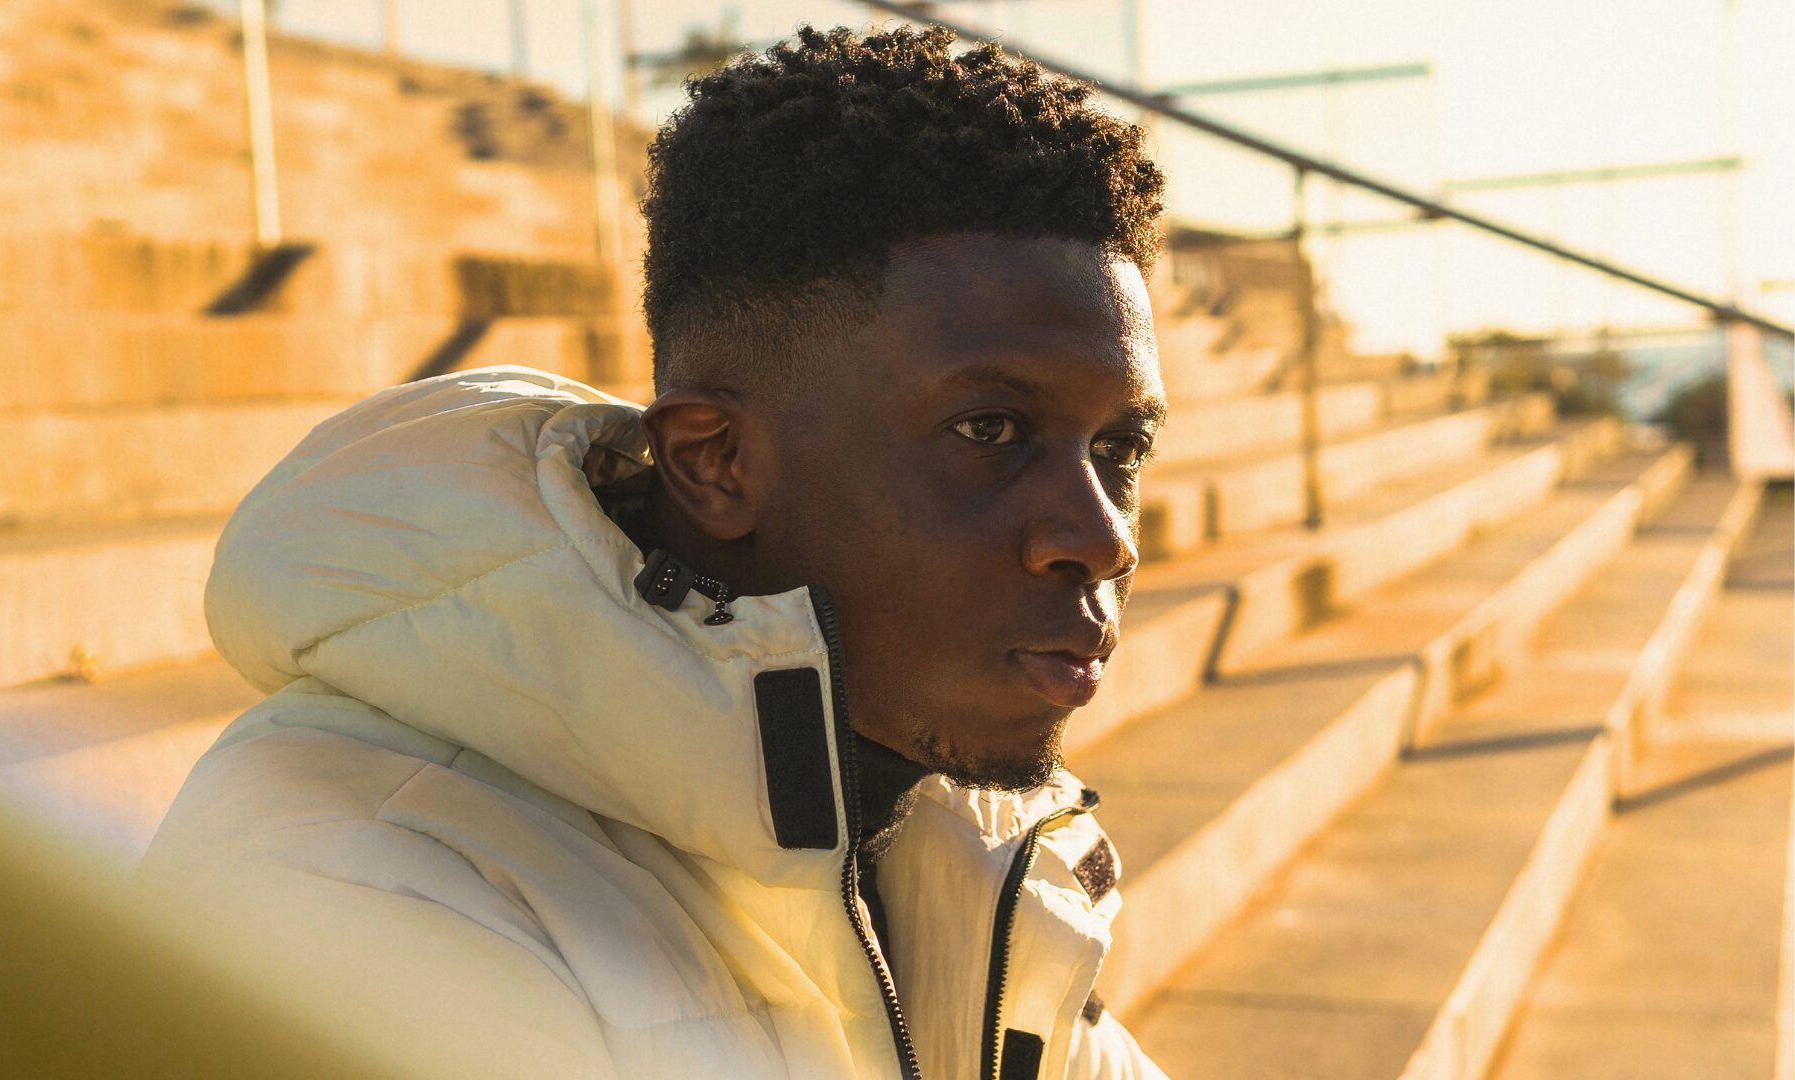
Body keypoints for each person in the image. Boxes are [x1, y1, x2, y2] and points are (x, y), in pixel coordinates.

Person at [143, 23, 1171, 1079]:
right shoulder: (361, 893)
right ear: (717, 461)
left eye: (1119, 448)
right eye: (990, 431)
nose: (1105, 538)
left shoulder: (946, 821)